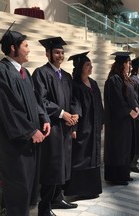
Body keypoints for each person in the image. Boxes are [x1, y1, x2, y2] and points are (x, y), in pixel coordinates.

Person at [0, 27, 51, 216]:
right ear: (13, 48)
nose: (29, 49)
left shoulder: (25, 73)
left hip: (30, 143)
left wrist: (44, 118)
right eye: (25, 45)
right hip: (15, 144)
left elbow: (36, 100)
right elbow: (8, 108)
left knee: (28, 188)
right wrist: (31, 131)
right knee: (18, 189)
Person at [32, 37, 79, 216]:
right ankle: (44, 208)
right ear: (48, 54)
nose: (60, 55)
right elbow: (40, 100)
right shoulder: (41, 73)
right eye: (56, 52)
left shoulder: (66, 76)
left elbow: (73, 99)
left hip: (66, 128)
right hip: (52, 127)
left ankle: (58, 199)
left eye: (61, 52)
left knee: (63, 166)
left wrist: (74, 115)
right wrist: (61, 113)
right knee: (52, 167)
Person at [64, 51, 104, 199]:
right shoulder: (75, 85)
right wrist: (73, 127)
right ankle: (77, 190)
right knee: (80, 156)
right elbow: (74, 105)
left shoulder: (92, 83)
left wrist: (101, 121)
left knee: (93, 156)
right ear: (80, 67)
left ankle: (91, 189)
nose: (90, 67)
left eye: (91, 65)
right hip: (82, 127)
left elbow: (99, 104)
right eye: (87, 65)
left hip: (93, 126)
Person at [103, 52, 139, 185]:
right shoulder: (114, 79)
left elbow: (132, 96)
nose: (130, 65)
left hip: (126, 120)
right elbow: (117, 101)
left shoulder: (125, 78)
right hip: (117, 122)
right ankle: (116, 177)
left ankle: (124, 174)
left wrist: (135, 107)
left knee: (126, 147)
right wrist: (129, 111)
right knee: (118, 148)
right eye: (128, 63)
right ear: (122, 64)